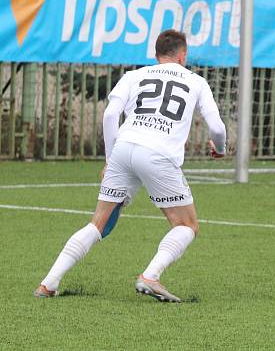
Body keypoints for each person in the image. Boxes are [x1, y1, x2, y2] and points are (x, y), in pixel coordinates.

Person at [34, 29, 227, 301]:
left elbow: (111, 115)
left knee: (98, 223)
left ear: (156, 54)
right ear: (183, 55)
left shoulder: (134, 75)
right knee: (186, 225)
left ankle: (48, 283)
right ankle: (150, 277)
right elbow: (217, 128)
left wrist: (110, 158)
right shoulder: (197, 82)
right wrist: (220, 149)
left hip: (124, 148)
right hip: (159, 154)